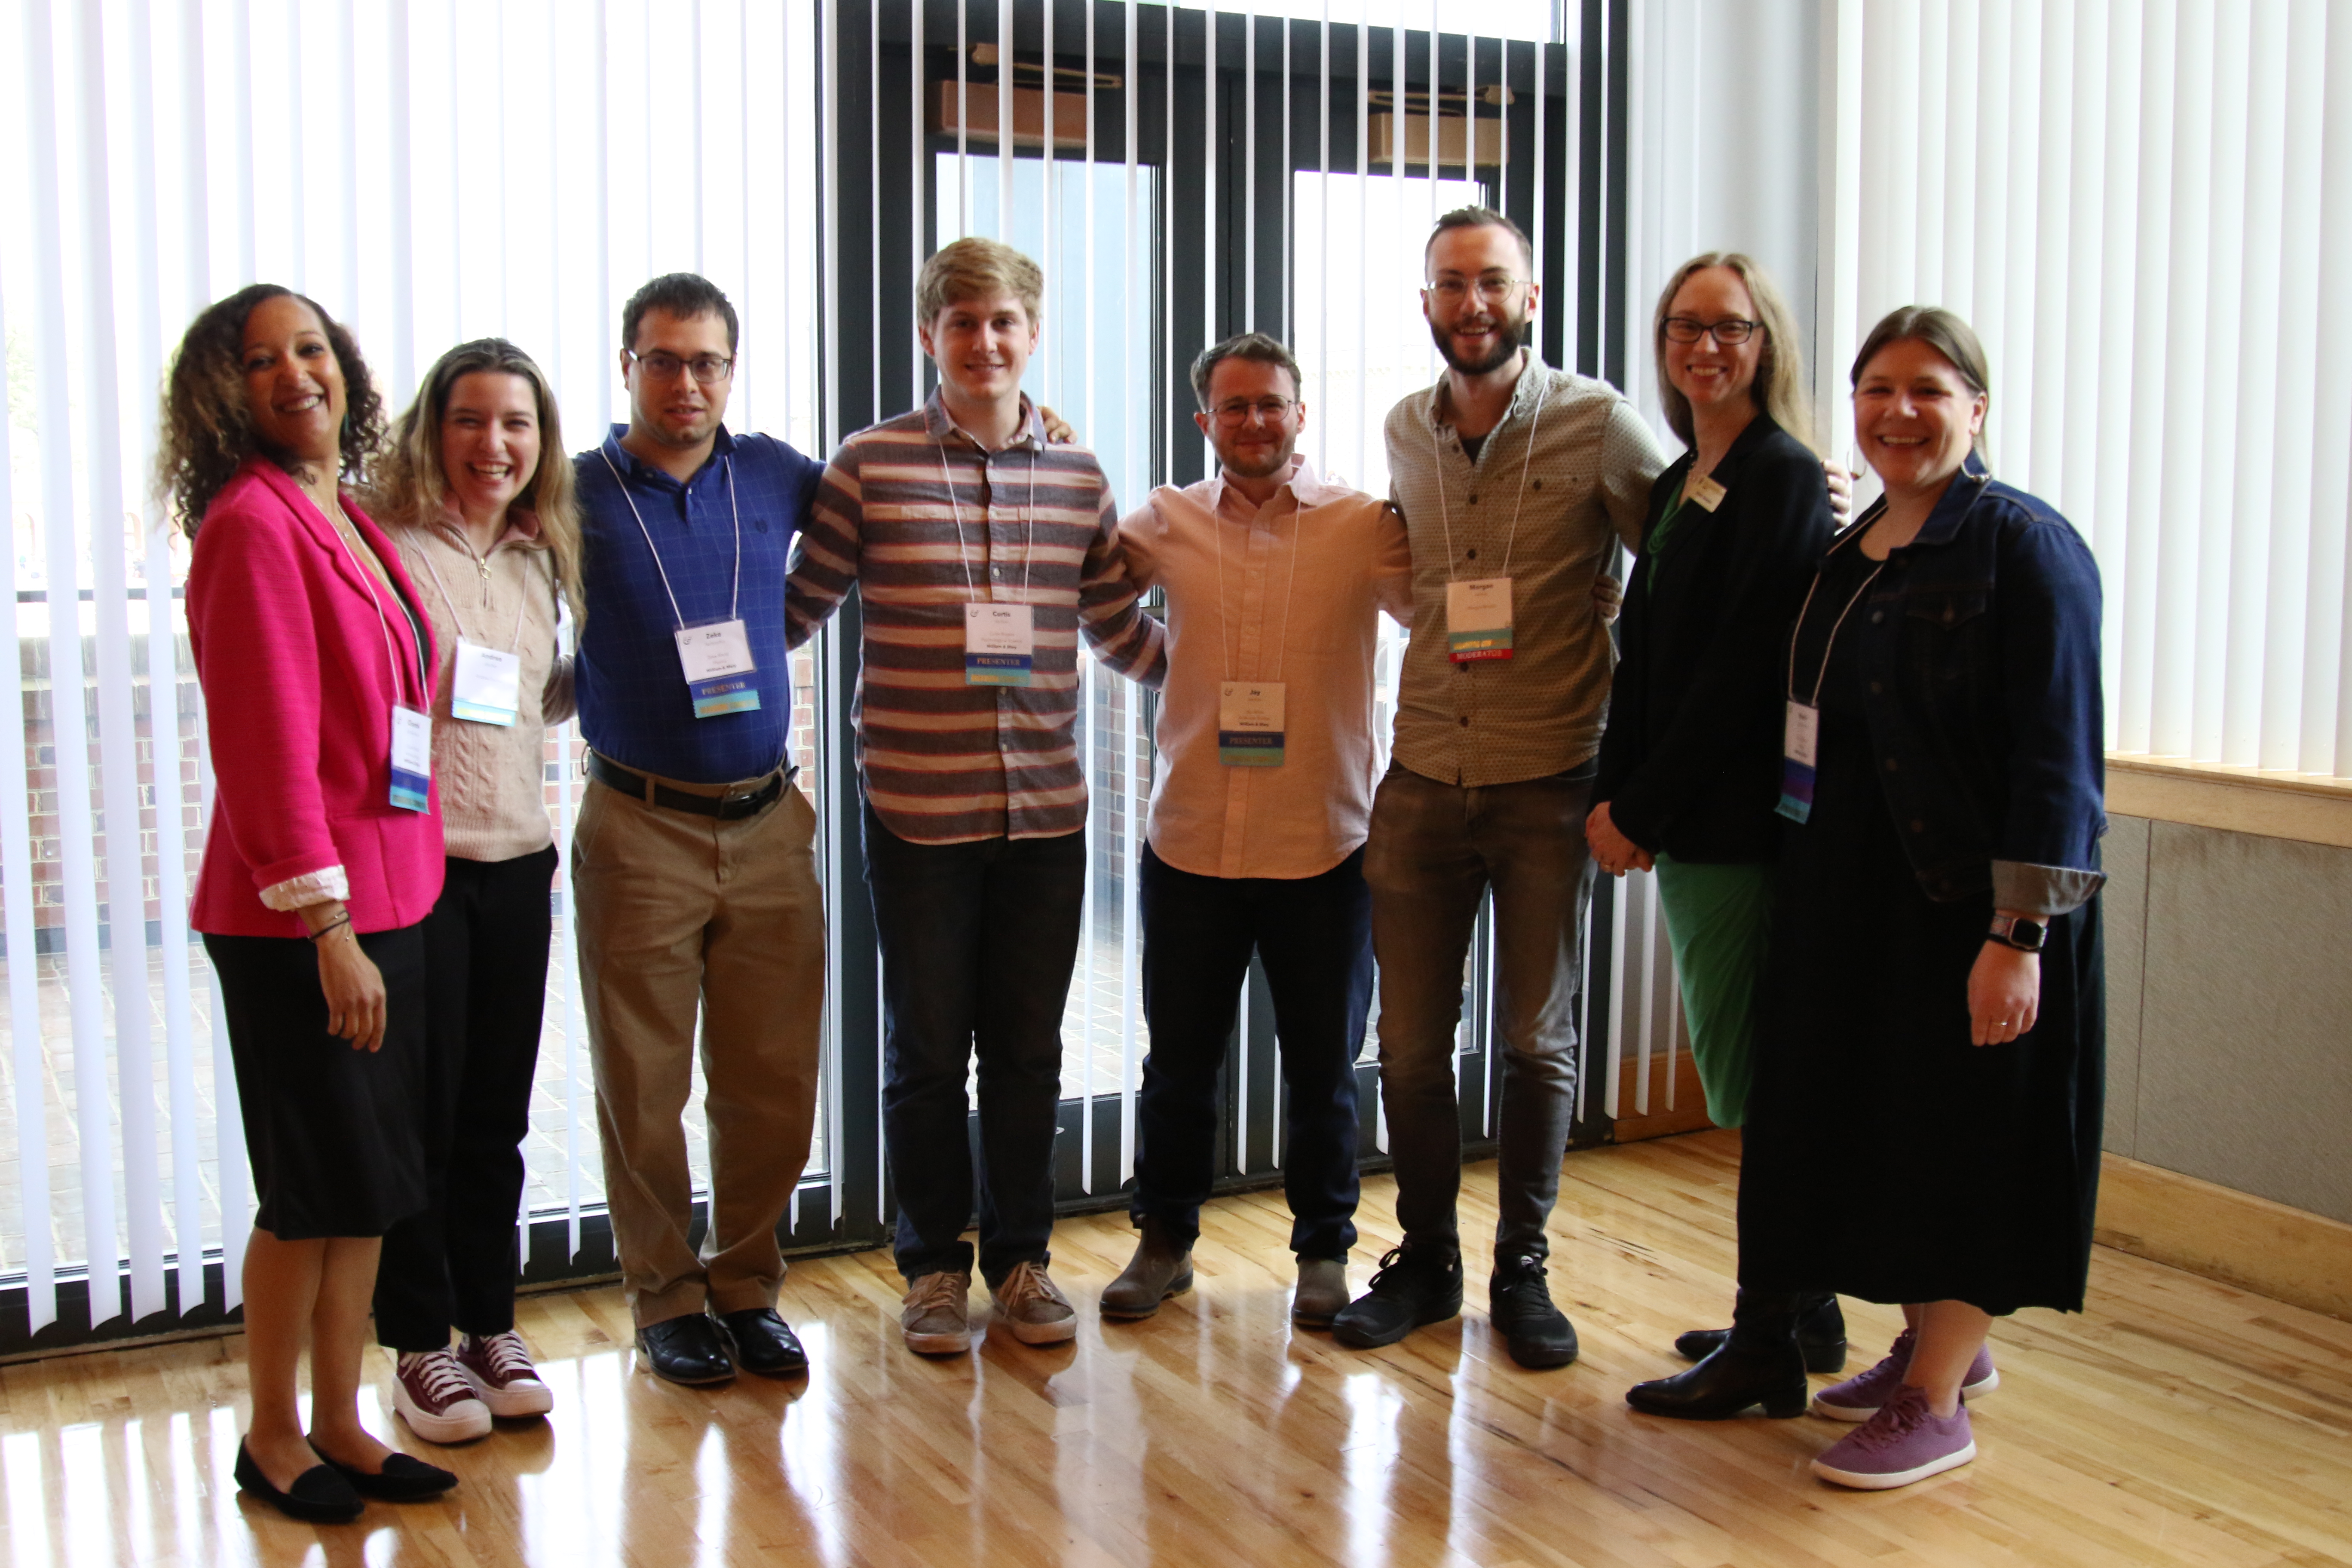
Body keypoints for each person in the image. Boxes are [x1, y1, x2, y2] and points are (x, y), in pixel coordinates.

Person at [1736, 306, 2104, 1489]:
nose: (1900, 411)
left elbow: (2060, 760)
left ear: (1977, 409)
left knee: (1963, 1148)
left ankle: (1938, 1398)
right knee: (1886, 1138)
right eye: (1879, 388)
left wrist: (2018, 933)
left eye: (1931, 390)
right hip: (1858, 903)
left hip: (1967, 907)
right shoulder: (1855, 553)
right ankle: (1932, 1347)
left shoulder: (2023, 547)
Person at [786, 237, 1167, 1356]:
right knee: (923, 1047)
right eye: (962, 323)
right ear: (929, 337)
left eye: (1003, 322)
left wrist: (1241, 667)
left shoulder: (1080, 474)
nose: (985, 341)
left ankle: (1022, 1260)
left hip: (1046, 814)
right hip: (916, 814)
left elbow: (1117, 630)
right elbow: (797, 609)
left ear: (1031, 333)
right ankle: (931, 1270)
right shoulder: (870, 465)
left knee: (1028, 1051)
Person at [1332, 208, 1663, 1368]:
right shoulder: (1401, 431)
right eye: (1450, 284)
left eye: (1492, 284)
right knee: (1411, 1045)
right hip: (1421, 773)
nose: (1471, 303)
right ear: (1426, 303)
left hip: (1549, 780)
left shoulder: (1599, 421)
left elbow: (1676, 558)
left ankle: (1523, 1268)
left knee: (1537, 1042)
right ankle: (1427, 1260)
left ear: (1530, 298)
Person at [165, 284, 456, 1520]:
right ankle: (273, 1436)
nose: (297, 372)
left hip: (396, 898)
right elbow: (268, 749)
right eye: (263, 359)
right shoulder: (249, 524)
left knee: (370, 1187)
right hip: (302, 923)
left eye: (312, 349)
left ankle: (344, 1414)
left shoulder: (339, 513)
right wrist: (329, 931)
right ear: (225, 395)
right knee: (309, 1190)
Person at [1103, 333, 1412, 1326]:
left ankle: (1324, 1251)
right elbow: (1088, 590)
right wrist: (1164, 668)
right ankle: (1165, 1241)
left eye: (1271, 404)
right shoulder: (1166, 518)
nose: (1254, 422)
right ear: (1206, 422)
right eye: (1233, 407)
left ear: (1301, 413)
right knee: (1178, 1063)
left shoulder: (1365, 524)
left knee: (1323, 1066)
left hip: (1324, 843)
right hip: (1190, 842)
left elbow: (1445, 614)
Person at [1583, 255, 1846, 1418]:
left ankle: (1764, 1344)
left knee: (1762, 1087)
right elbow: (1648, 657)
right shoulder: (1688, 473)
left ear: (1764, 340)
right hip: (1688, 821)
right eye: (1686, 325)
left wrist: (1638, 809)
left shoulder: (1786, 477)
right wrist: (1614, 788)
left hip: (1738, 827)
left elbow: (1740, 670)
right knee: (1757, 1073)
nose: (1706, 345)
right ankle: (1809, 1306)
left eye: (1729, 326)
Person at [570, 274, 827, 1386]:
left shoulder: (776, 472)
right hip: (639, 825)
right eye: (663, 359)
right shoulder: (569, 489)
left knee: (771, 1079)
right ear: (626, 365)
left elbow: (903, 502)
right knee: (644, 1082)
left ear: (733, 368)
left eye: (707, 361)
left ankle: (749, 1284)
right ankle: (666, 1297)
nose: (687, 381)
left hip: (770, 822)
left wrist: (1038, 433)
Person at [367, 339, 582, 1439]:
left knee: (497, 1112)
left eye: (517, 424)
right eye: (470, 420)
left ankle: (490, 1323)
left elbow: (544, 701)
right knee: (425, 1115)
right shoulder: (386, 542)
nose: (493, 445)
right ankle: (416, 1343)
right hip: (417, 866)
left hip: (521, 857)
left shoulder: (549, 555)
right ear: (433, 426)